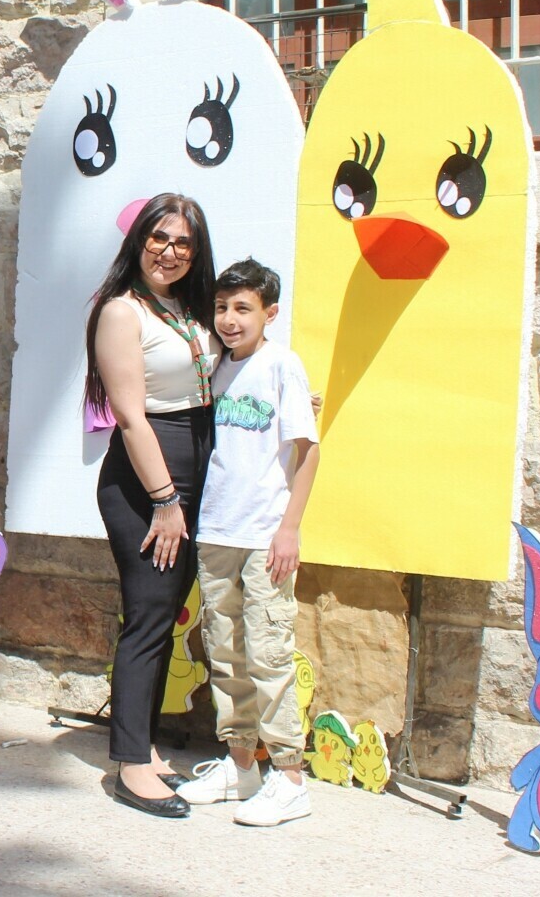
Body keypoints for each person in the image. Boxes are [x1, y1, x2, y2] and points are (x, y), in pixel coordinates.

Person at [85, 193, 218, 818]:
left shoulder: (186, 308)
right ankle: (130, 765)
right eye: (159, 238)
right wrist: (165, 501)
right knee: (146, 617)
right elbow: (132, 416)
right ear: (139, 240)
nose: (170, 252)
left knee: (167, 615)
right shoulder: (122, 311)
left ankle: (147, 747)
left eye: (183, 243)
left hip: (194, 470)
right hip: (147, 479)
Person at [175, 259, 322, 825]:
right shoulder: (219, 368)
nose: (230, 319)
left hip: (265, 537)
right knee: (226, 654)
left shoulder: (282, 365)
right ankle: (241, 765)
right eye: (222, 308)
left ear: (269, 313)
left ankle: (289, 777)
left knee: (268, 653)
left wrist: (289, 528)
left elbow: (307, 452)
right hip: (217, 532)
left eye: (243, 308)